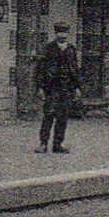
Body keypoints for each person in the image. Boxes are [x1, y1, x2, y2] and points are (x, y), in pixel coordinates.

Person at [35, 22, 82, 154]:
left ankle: (58, 144)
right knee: (48, 115)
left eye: (64, 32)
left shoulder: (71, 49)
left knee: (63, 117)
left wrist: (77, 87)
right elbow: (41, 69)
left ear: (67, 34)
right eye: (60, 32)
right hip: (52, 88)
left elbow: (75, 69)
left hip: (66, 88)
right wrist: (40, 87)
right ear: (56, 34)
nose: (62, 34)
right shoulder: (48, 49)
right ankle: (43, 143)